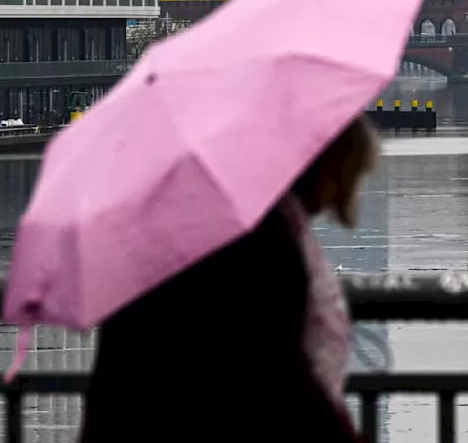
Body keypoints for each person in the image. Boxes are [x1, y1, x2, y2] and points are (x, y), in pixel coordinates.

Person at [78, 117, 379, 443]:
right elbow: (272, 376)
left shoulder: (202, 222)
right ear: (326, 168)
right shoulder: (258, 241)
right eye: (349, 178)